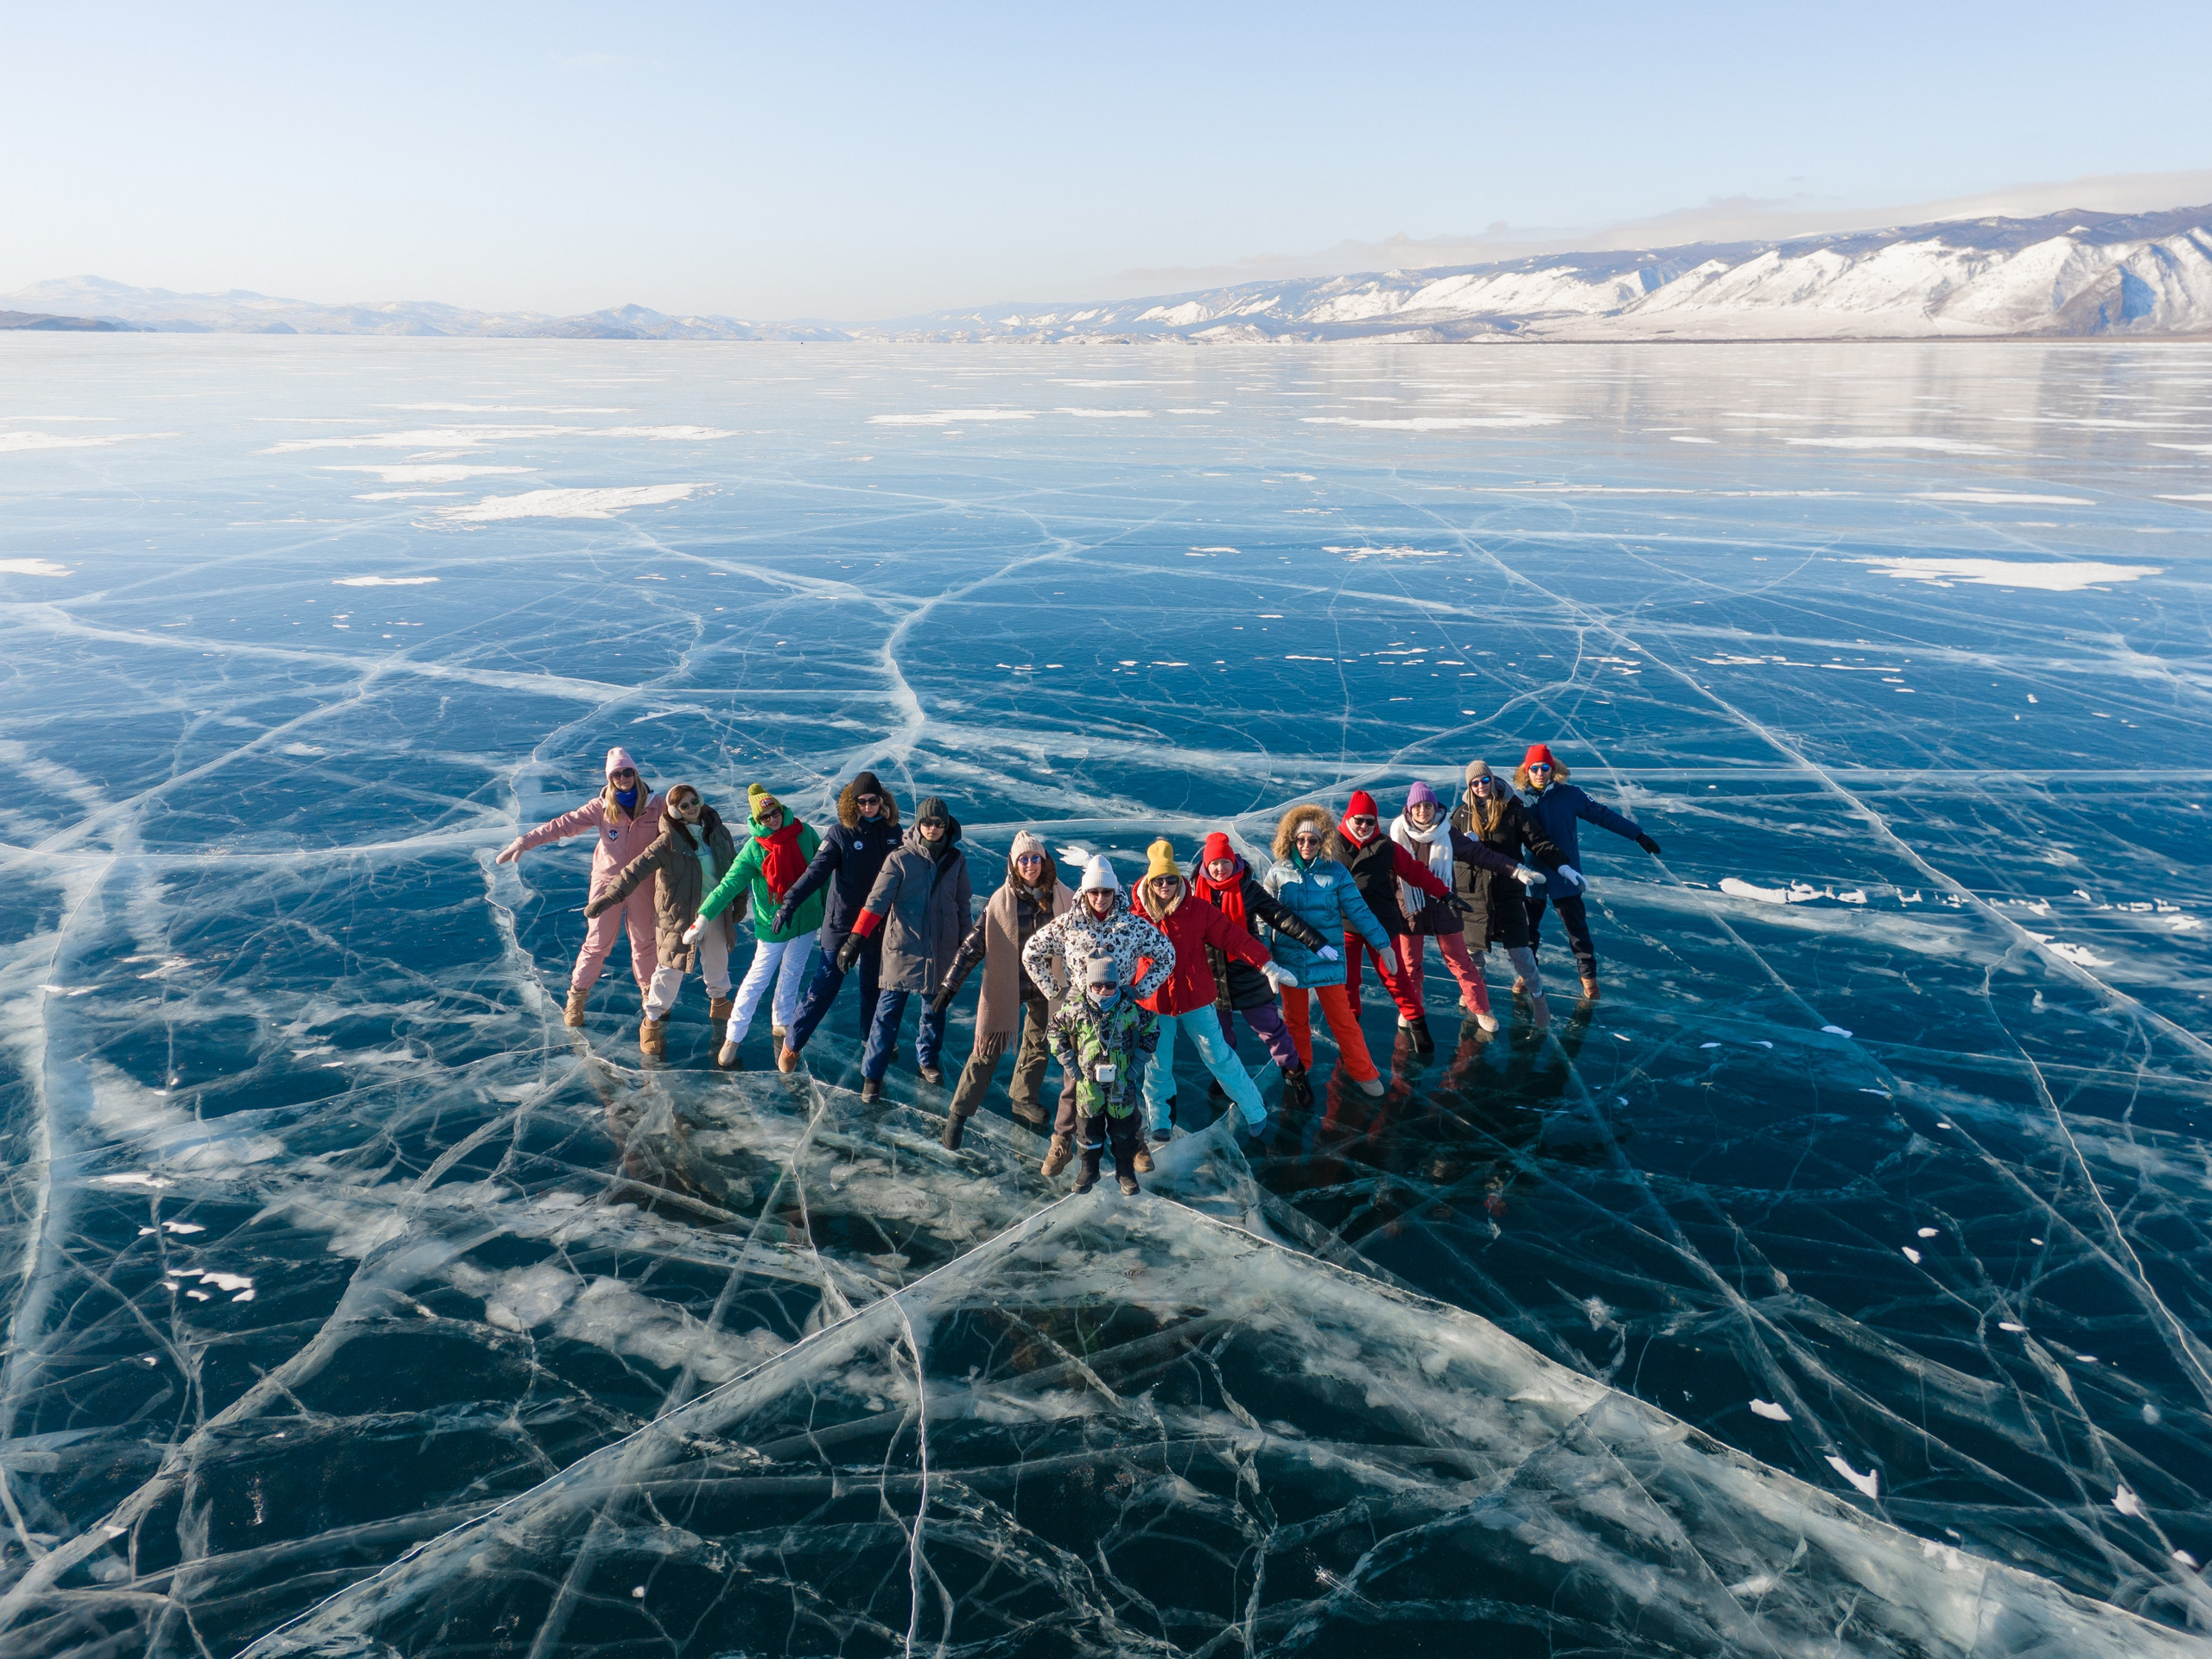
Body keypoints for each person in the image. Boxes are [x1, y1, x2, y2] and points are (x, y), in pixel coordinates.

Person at [1130, 838, 1292, 1145]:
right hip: (1154, 1001)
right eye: (1158, 880)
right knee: (1157, 1063)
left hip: (1196, 998)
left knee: (1219, 1056)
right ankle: (1160, 1120)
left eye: (1170, 879)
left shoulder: (1198, 910)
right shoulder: (1137, 917)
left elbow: (1233, 937)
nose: (1165, 885)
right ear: (1149, 882)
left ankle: (1255, 1110)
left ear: (1178, 880)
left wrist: (1266, 963)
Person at [1021, 855, 1174, 1177]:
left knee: (1124, 1078)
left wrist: (1140, 990)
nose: (1100, 898)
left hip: (1120, 1010)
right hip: (1082, 1012)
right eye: (1094, 891)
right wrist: (1056, 991)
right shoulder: (1069, 924)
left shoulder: (1131, 926)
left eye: (1106, 891)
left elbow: (1166, 955)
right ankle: (1062, 1141)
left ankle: (1135, 1142)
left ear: (1115, 892)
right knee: (1074, 1080)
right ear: (1085, 892)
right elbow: (1031, 952)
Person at [497, 747, 664, 1027]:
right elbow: (563, 825)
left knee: (645, 942)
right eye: (616, 774)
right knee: (597, 943)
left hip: (642, 883)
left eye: (627, 772)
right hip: (607, 884)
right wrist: (525, 841)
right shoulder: (601, 807)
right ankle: (576, 998)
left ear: (635, 773)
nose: (623, 778)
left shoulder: (657, 805)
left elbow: (686, 827)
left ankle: (651, 997)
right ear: (610, 779)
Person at [933, 831, 1068, 1147]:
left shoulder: (1063, 897)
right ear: (1013, 864)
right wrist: (949, 986)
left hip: (1047, 986)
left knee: (1038, 1045)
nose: (1030, 865)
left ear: (1044, 860)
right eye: (1024, 860)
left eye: (1035, 858)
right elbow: (973, 946)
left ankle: (1023, 1097)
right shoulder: (1000, 902)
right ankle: (958, 1114)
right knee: (987, 1050)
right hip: (1008, 984)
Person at [584, 783, 740, 1057]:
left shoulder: (718, 833)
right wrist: (611, 896)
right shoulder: (668, 842)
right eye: (684, 806)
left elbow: (734, 869)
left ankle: (719, 1002)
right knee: (670, 969)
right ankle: (652, 1020)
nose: (691, 808)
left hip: (715, 910)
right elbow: (635, 870)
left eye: (694, 802)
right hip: (679, 916)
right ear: (675, 811)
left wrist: (740, 900)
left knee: (718, 959)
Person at [836, 796, 973, 1103]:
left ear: (946, 825)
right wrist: (855, 939)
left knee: (935, 1010)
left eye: (939, 823)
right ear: (918, 824)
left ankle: (928, 1060)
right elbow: (876, 903)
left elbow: (962, 904)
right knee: (887, 1014)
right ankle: (872, 1074)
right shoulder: (899, 859)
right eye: (927, 822)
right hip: (903, 948)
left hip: (941, 948)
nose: (933, 828)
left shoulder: (956, 860)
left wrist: (966, 946)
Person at [1389, 780, 1549, 1039]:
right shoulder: (1396, 836)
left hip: (1444, 905)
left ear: (1435, 808)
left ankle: (1481, 1009)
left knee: (1462, 962)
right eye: (1417, 806)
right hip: (1410, 907)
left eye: (1428, 805)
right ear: (1409, 809)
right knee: (1410, 965)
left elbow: (1480, 854)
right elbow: (1385, 873)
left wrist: (1515, 870)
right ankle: (1410, 1010)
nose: (1422, 811)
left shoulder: (1447, 832)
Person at [771, 772, 902, 1073]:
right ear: (853, 804)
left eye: (873, 801)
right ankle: (793, 1043)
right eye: (862, 802)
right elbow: (815, 873)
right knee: (825, 985)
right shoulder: (840, 834)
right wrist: (789, 903)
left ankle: (870, 1038)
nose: (867, 807)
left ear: (881, 801)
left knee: (873, 985)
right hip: (841, 923)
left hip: (877, 923)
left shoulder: (893, 832)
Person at [1187, 830, 1327, 1109]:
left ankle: (1295, 1073)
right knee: (1218, 1035)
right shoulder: (1192, 894)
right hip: (1211, 976)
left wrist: (1315, 940)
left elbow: (1279, 916)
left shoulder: (1248, 889)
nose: (1220, 868)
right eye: (1214, 863)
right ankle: (1226, 1077)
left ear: (1234, 862)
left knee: (1271, 1029)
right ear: (1205, 865)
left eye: (1225, 862)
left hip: (1248, 970)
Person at [1262, 804, 1392, 1100]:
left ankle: (1363, 1071)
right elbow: (1264, 916)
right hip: (1290, 960)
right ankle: (1300, 1068)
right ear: (1291, 840)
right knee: (1295, 1021)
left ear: (1323, 842)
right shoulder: (1278, 872)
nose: (1306, 845)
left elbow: (1358, 911)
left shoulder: (1336, 872)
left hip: (1326, 959)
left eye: (1313, 840)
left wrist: (1382, 944)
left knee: (1343, 1020)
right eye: (1301, 840)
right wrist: (1266, 958)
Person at [690, 785, 823, 1067]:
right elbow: (728, 885)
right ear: (757, 819)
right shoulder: (754, 849)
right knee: (756, 980)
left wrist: (826, 911)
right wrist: (703, 917)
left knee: (793, 971)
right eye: (765, 816)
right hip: (774, 925)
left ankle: (782, 1021)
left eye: (775, 812)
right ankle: (733, 1036)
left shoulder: (805, 833)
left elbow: (823, 874)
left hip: (808, 917)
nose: (772, 819)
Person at [1514, 744, 1660, 999]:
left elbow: (1603, 815)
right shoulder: (1516, 799)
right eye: (1534, 768)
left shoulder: (1571, 795)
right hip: (1532, 874)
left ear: (1553, 769)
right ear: (1526, 770)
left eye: (1545, 767)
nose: (1540, 773)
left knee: (1577, 929)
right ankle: (1527, 975)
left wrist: (1637, 834)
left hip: (1566, 874)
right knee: (1527, 930)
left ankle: (1588, 978)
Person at [1328, 790, 1452, 1053]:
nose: (1364, 826)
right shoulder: (1331, 845)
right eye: (1359, 820)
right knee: (1347, 981)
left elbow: (1415, 872)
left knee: (1395, 976)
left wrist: (1445, 894)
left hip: (1381, 924)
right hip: (1344, 925)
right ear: (1348, 818)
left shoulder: (1386, 846)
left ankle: (1418, 1024)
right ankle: (1351, 1030)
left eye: (1370, 821)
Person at [1453, 760, 1572, 1027]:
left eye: (1485, 780)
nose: (1481, 786)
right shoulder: (1461, 815)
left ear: (1492, 780)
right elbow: (1445, 847)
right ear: (1469, 786)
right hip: (1472, 892)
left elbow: (1538, 841)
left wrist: (1562, 866)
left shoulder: (1513, 811)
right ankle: (1475, 994)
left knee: (1521, 951)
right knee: (1472, 953)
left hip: (1507, 890)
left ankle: (1538, 997)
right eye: (1475, 783)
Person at [1048, 955, 1160, 1196]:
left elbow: (1151, 1029)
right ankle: (1089, 1169)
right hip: (1088, 1086)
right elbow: (1055, 1030)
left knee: (1124, 1131)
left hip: (1122, 1083)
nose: (1103, 990)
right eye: (1097, 985)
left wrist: (1137, 1064)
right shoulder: (1077, 1010)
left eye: (1110, 985)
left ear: (1117, 985)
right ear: (1089, 985)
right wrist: (1070, 1065)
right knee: (1088, 1131)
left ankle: (1125, 1171)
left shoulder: (1128, 1009)